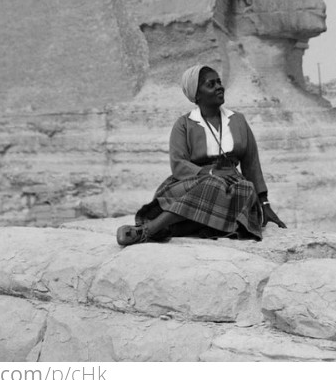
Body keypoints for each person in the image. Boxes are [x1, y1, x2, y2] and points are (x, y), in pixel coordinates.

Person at [117, 64, 286, 245]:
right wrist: (211, 174)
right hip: (193, 182)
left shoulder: (238, 120)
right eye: (211, 84)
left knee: (244, 189)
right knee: (212, 184)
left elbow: (251, 164)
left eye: (219, 82)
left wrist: (265, 205)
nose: (219, 87)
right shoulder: (184, 124)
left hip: (233, 187)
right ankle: (150, 229)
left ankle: (163, 228)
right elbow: (178, 164)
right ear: (197, 95)